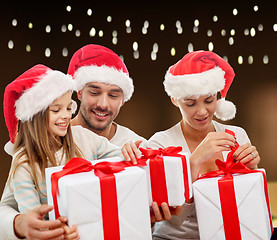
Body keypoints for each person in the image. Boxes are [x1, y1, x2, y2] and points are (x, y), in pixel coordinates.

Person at [0, 64, 129, 239]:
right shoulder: (24, 163)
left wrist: (128, 150)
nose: (66, 116)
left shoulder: (82, 137)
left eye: (69, 108)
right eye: (56, 110)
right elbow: (35, 218)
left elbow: (123, 159)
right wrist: (58, 231)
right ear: (35, 115)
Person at [147, 50, 260, 239]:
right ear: (175, 100)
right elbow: (171, 220)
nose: (202, 111)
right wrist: (195, 161)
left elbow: (249, 206)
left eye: (209, 100)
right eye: (190, 103)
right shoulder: (160, 144)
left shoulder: (236, 135)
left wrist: (252, 171)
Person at [67, 44, 146, 154]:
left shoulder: (137, 147)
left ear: (123, 101)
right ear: (79, 93)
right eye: (94, 93)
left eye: (113, 95)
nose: (103, 104)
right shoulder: (53, 139)